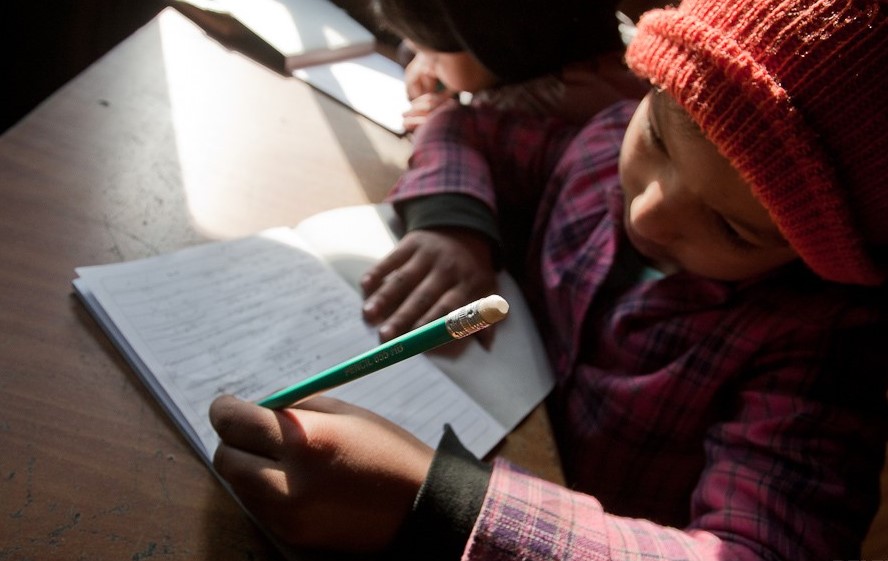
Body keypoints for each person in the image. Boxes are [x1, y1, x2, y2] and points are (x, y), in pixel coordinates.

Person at [209, 0, 888, 559]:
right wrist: (455, 225)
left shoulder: (820, 357)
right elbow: (462, 124)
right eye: (656, 137)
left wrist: (441, 502)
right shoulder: (599, 140)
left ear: (825, 258)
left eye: (733, 229)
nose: (648, 210)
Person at [371, 0, 648, 131]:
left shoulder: (542, 110)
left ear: (490, 47)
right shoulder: (577, 38)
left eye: (434, 57)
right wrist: (426, 55)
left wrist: (448, 123)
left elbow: (478, 136)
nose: (429, 67)